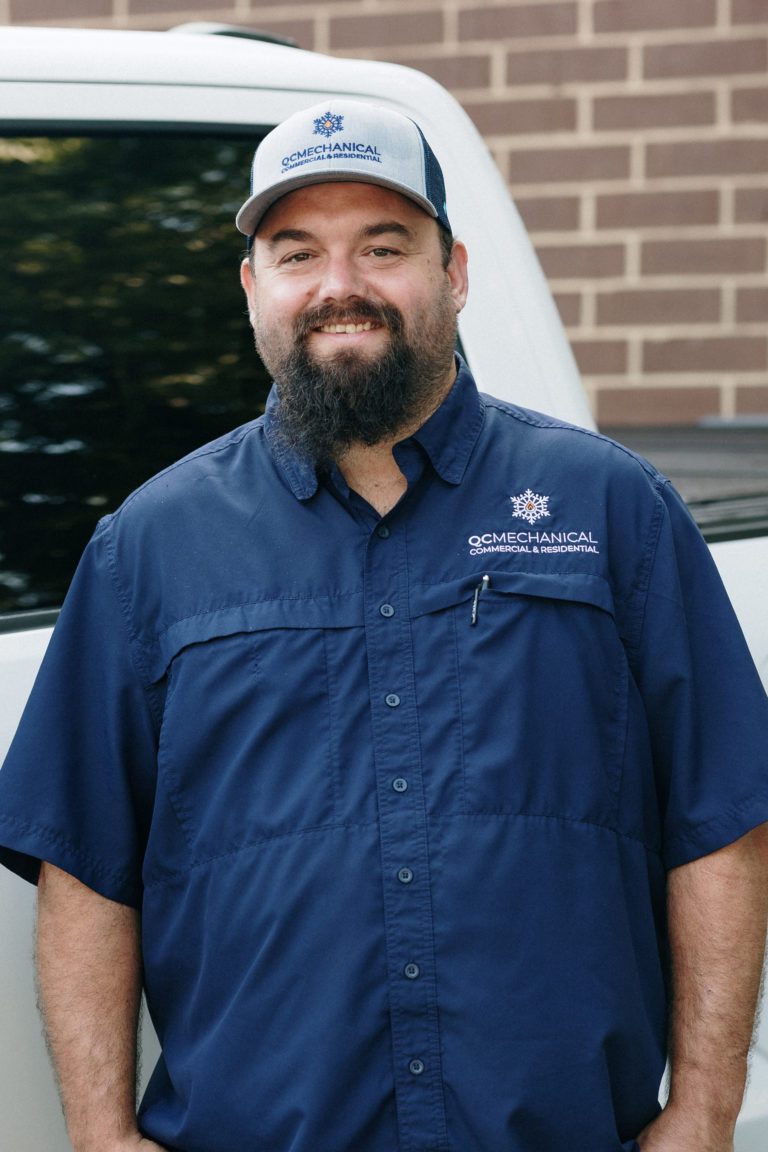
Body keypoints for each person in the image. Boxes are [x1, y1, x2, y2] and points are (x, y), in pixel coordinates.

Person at [0, 99, 767, 1152]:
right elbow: (86, 864)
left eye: (384, 247)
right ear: (253, 288)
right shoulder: (148, 548)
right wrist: (99, 1135)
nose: (339, 287)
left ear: (454, 273)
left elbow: (721, 821)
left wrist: (706, 1115)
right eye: (297, 252)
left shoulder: (611, 508)